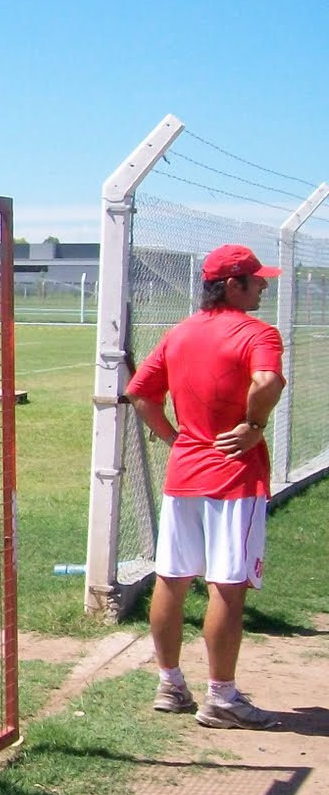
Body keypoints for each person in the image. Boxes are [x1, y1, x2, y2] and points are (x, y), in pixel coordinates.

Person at [125, 242, 286, 729]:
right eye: (256, 279)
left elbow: (140, 396)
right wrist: (254, 424)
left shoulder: (180, 334)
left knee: (172, 578)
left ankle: (170, 684)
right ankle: (222, 696)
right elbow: (266, 382)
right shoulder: (257, 332)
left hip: (186, 473)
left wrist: (177, 439)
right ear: (233, 285)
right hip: (234, 476)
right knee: (227, 585)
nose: (262, 285)